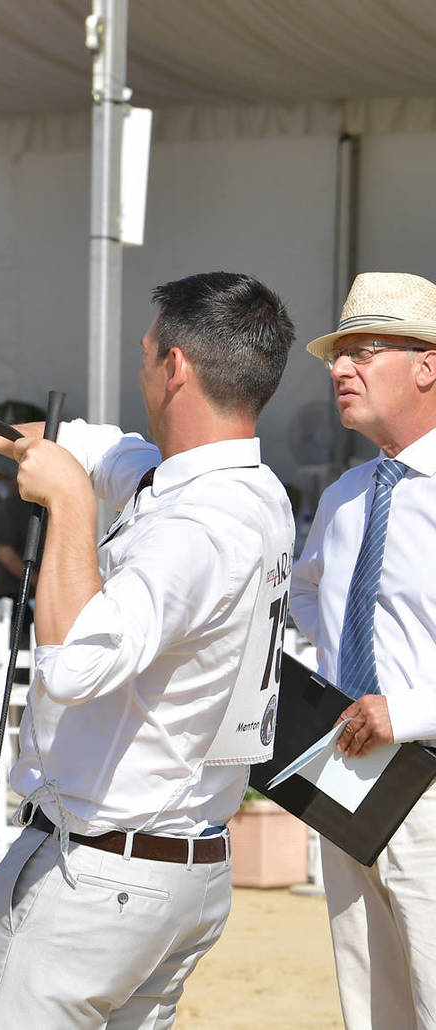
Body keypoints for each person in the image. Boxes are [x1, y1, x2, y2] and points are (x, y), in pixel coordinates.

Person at [0, 271, 295, 1028]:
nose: (142, 366)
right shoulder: (248, 491)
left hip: (97, 875)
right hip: (174, 871)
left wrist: (70, 507)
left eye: (148, 353)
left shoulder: (195, 527)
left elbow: (78, 663)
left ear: (176, 368)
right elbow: (91, 448)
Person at [289, 271, 436, 1030]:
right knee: (370, 1003)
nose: (341, 369)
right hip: (348, 775)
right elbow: (307, 593)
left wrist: (404, 709)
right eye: (338, 356)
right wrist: (336, 683)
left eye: (364, 351)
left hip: (431, 783)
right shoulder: (348, 495)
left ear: (427, 364)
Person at [0, 491, 36, 600]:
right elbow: (5, 554)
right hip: (13, 593)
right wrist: (39, 582)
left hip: (46, 595)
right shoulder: (11, 506)